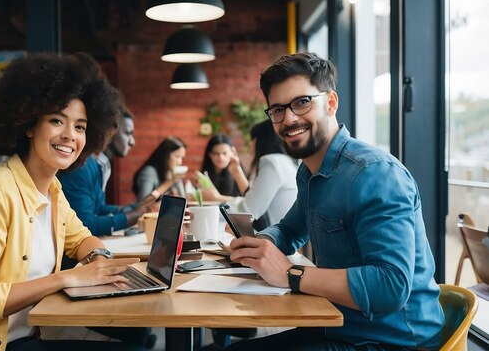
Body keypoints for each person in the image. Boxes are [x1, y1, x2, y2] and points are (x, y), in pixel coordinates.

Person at [0, 52, 143, 351]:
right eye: (56, 121)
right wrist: (68, 278)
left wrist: (99, 259)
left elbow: (82, 239)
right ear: (28, 124)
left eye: (79, 126)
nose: (69, 136)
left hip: (23, 339)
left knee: (136, 341)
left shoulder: (52, 190)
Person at [227, 52, 444, 350]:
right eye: (278, 109)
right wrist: (258, 245)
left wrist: (291, 274)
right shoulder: (309, 171)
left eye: (302, 102)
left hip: (393, 341)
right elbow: (290, 230)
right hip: (341, 325)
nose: (289, 119)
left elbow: (391, 286)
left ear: (330, 103)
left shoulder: (374, 174)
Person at [58, 108, 156, 236]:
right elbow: (85, 224)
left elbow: (98, 208)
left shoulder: (101, 163)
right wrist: (132, 216)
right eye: (127, 133)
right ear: (111, 132)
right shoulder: (81, 166)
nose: (132, 142)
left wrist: (134, 209)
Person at [201, 121, 298, 230]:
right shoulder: (284, 161)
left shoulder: (271, 163)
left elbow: (248, 210)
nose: (250, 144)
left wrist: (212, 209)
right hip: (277, 232)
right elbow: (251, 200)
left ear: (259, 140)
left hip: (274, 237)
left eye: (251, 139)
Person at [132, 136, 187, 203]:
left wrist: (177, 181)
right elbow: (142, 204)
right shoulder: (149, 172)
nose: (180, 162)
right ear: (165, 155)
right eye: (177, 156)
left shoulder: (170, 172)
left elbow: (183, 199)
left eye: (182, 158)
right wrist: (171, 181)